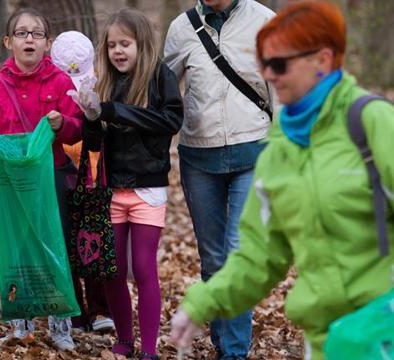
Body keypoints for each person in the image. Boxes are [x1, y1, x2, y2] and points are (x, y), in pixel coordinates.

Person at [169, 2, 394, 359]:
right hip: (325, 343)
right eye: (263, 64)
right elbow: (259, 255)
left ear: (322, 60)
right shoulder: (277, 151)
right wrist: (201, 304)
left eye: (278, 64)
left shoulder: (372, 124)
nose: (267, 75)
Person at [162, 0, 275, 357]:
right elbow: (162, 93)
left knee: (238, 254)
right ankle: (223, 341)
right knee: (213, 259)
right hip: (199, 155)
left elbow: (284, 88)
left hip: (254, 151)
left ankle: (234, 352)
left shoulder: (264, 22)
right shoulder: (181, 29)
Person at [73, 9, 183, 359]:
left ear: (141, 44)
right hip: (111, 189)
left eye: (126, 44)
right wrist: (91, 116)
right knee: (113, 270)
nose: (118, 51)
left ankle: (149, 350)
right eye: (112, 46)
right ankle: (124, 340)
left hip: (148, 189)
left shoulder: (158, 76)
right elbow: (93, 143)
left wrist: (112, 111)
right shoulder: (102, 81)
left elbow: (170, 119)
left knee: (145, 268)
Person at [0, 7, 83, 351]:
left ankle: (60, 325)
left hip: (52, 183)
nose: (29, 39)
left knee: (54, 247)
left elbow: (78, 131)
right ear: (8, 42)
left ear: (48, 43)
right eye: (21, 33)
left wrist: (61, 125)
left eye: (37, 34)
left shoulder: (62, 83)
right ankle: (19, 323)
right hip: (10, 187)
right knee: (16, 249)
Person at [50, 30, 114, 334]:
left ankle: (100, 309)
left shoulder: (102, 85)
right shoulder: (49, 87)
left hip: (92, 173)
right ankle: (74, 308)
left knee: (92, 236)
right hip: (59, 174)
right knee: (63, 240)